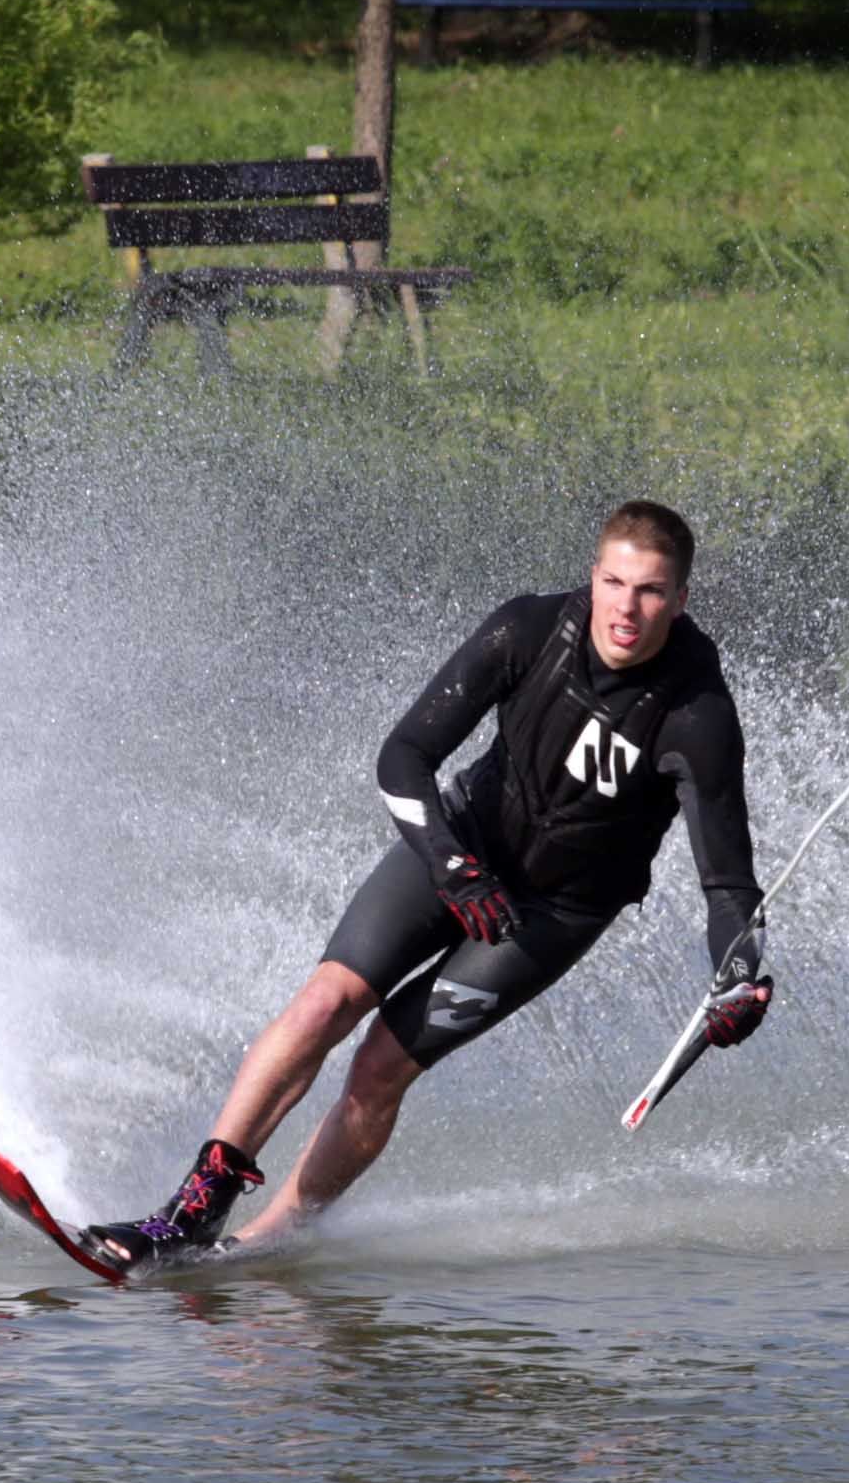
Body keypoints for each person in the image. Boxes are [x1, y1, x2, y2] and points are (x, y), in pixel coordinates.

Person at [73, 503, 771, 1262]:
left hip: (551, 912)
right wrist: (451, 862)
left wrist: (738, 979)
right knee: (324, 1001)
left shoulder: (699, 716)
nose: (627, 609)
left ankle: (256, 1246)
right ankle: (191, 1210)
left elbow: (729, 885)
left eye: (651, 592)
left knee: (382, 1062)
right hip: (460, 844)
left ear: (681, 599)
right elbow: (403, 755)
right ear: (593, 575)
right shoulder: (528, 630)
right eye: (614, 582)